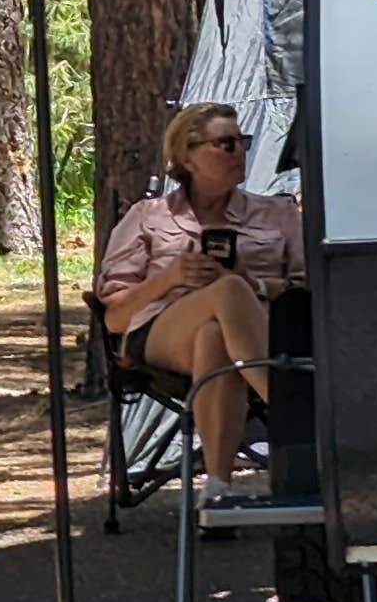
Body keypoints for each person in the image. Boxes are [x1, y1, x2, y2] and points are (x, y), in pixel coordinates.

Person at [95, 100, 305, 466]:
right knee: (225, 291)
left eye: (243, 142)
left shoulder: (278, 213)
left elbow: (306, 288)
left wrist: (252, 284)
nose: (239, 152)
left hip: (264, 327)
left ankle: (217, 490)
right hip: (163, 331)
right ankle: (295, 412)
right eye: (226, 143)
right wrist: (171, 277)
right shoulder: (147, 216)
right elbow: (114, 318)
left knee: (215, 334)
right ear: (187, 156)